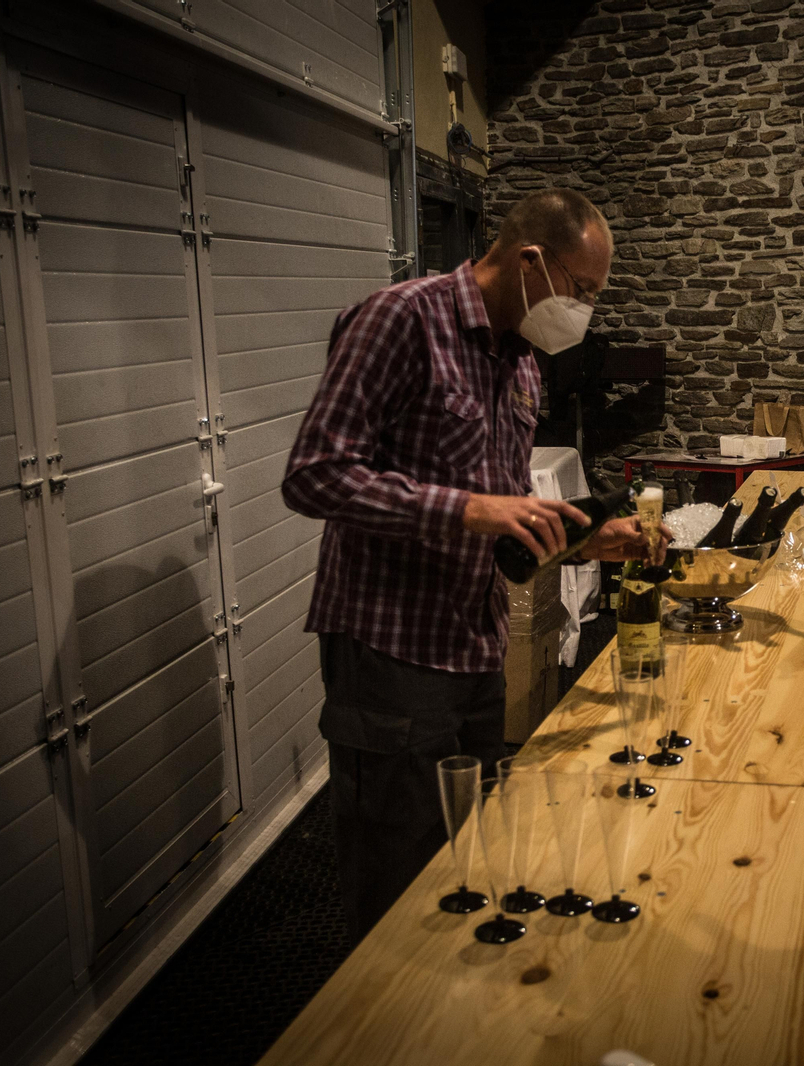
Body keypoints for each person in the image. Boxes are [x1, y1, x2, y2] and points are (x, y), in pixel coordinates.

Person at [282, 188, 660, 940]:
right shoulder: (401, 318)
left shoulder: (520, 362)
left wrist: (583, 541)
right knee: (395, 874)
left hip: (475, 649)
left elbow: (504, 525)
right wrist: (464, 508)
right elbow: (314, 475)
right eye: (581, 290)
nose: (584, 311)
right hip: (391, 650)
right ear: (530, 261)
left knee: (473, 862)